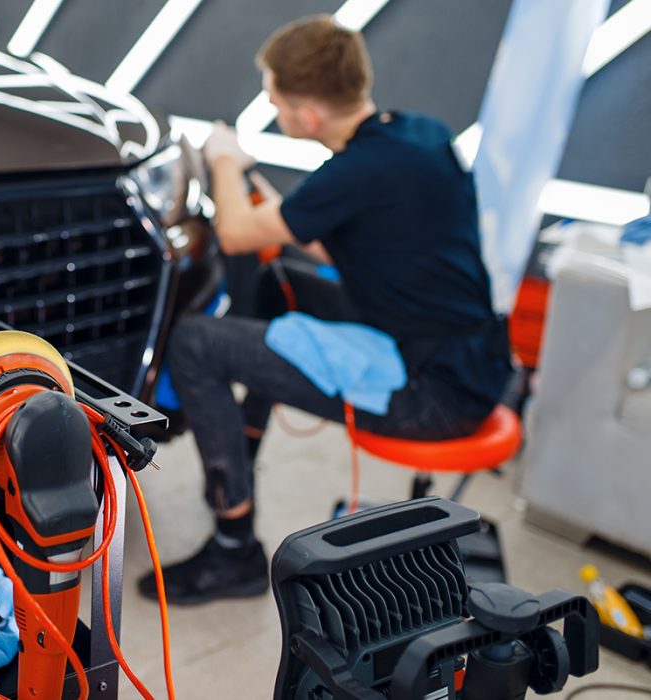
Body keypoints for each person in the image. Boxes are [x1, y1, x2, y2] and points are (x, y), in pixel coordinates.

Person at [137, 15, 512, 605]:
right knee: (278, 283)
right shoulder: (418, 136)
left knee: (194, 342)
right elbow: (319, 231)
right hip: (473, 359)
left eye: (273, 95)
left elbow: (235, 233)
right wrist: (259, 184)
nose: (269, 103)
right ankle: (237, 463)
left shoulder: (353, 171)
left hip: (432, 392)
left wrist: (227, 160)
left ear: (306, 117)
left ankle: (233, 549)